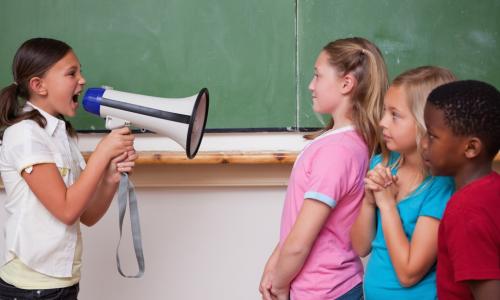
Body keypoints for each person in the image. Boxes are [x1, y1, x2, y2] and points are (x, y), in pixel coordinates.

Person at [0, 37, 137, 299]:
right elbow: (66, 210)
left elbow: (87, 215)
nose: (82, 80)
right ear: (38, 85)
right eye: (71, 73)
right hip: (31, 288)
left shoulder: (63, 136)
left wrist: (110, 178)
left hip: (62, 283)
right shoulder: (25, 135)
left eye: (80, 71)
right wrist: (101, 154)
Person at [259, 37, 389, 300]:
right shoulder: (345, 143)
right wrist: (275, 264)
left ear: (346, 83)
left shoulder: (337, 152)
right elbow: (300, 225)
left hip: (323, 291)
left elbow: (300, 243)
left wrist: (281, 284)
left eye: (318, 76)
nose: (311, 85)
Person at [350, 66, 456, 299]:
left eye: (394, 115)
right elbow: (360, 247)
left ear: (425, 123)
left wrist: (387, 206)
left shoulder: (439, 185)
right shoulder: (383, 162)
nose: (382, 122)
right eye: (384, 112)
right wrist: (369, 202)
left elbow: (409, 273)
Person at [421, 80, 500, 300]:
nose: (424, 143)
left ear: (471, 147)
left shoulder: (465, 210)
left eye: (432, 136)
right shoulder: (493, 189)